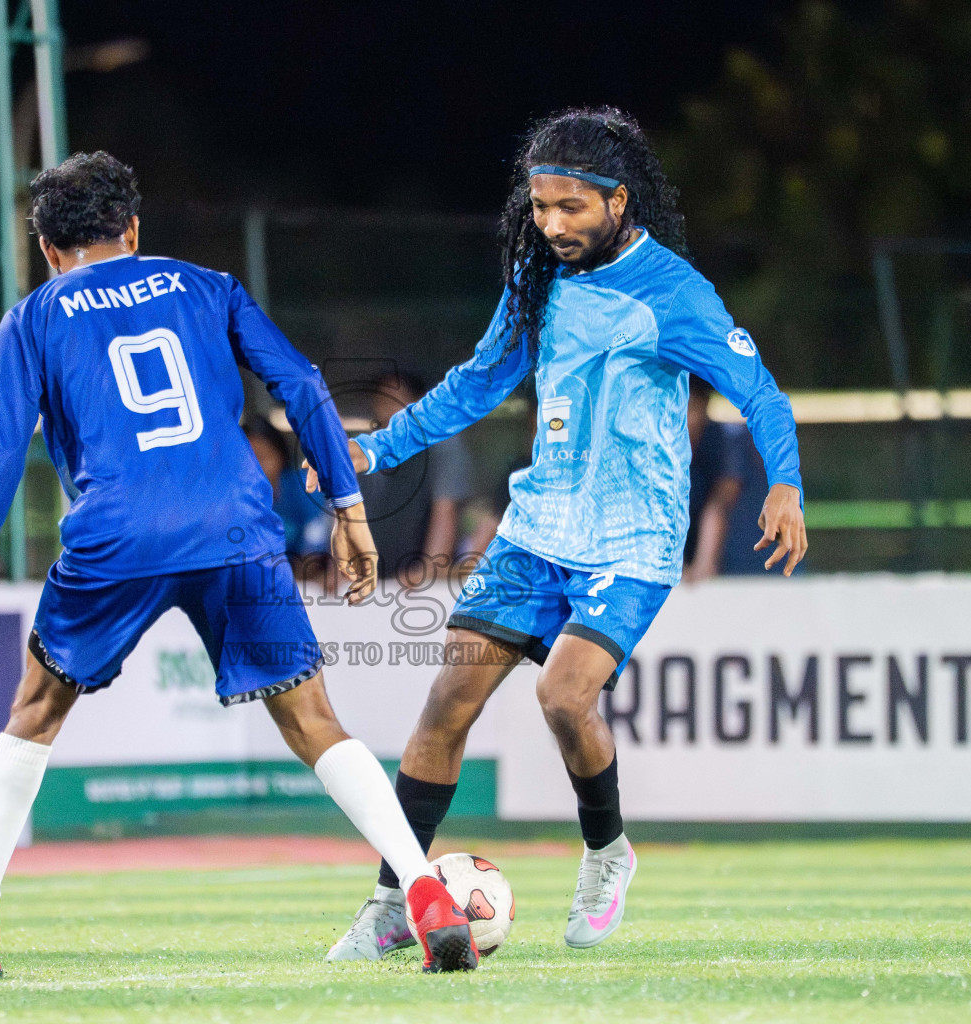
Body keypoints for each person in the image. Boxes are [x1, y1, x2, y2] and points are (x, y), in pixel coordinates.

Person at [0, 152, 479, 979]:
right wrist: (349, 509)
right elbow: (303, 385)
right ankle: (426, 895)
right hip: (235, 529)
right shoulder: (209, 285)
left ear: (45, 247)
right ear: (134, 230)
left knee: (34, 711)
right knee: (314, 720)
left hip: (116, 537)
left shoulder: (32, 317)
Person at [308, 107, 807, 960]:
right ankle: (395, 899)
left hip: (633, 538)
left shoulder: (675, 294)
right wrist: (375, 448)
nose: (553, 224)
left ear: (621, 199)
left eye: (571, 207)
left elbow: (760, 391)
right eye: (540, 208)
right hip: (537, 528)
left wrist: (786, 483)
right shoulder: (538, 281)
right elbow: (474, 385)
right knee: (443, 709)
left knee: (562, 696)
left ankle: (608, 852)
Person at [357, 370, 474, 580]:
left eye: (397, 401)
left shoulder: (442, 446)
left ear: (420, 404)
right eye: (381, 402)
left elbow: (445, 511)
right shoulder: (368, 452)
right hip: (372, 579)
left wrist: (428, 571)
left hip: (417, 584)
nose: (388, 411)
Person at [684, 379, 773, 580]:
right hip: (729, 574)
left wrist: (702, 566)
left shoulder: (725, 440)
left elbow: (719, 506)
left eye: (686, 408)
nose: (676, 420)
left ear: (703, 405)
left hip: (759, 570)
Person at [244, 415, 329, 558]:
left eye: (262, 457)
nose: (256, 467)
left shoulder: (305, 487)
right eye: (247, 459)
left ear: (281, 456)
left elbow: (317, 547)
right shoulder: (234, 500)